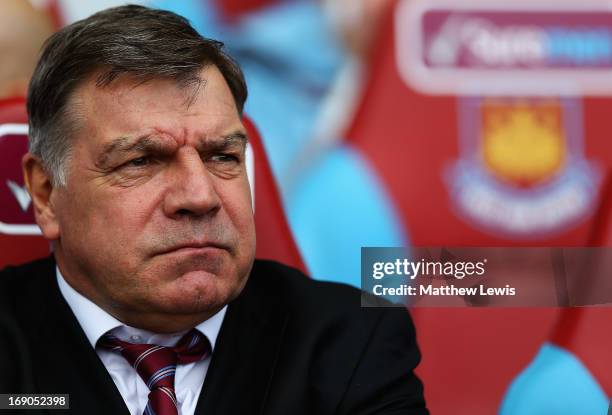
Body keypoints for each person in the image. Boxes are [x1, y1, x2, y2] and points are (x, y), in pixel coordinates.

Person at [0, 5, 428, 414]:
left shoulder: (349, 342)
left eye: (222, 156)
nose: (200, 196)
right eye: (142, 161)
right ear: (45, 193)